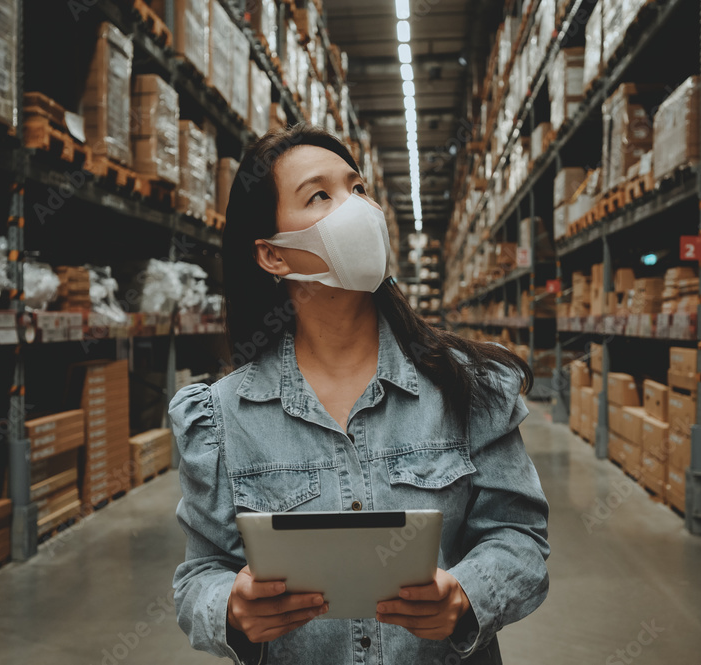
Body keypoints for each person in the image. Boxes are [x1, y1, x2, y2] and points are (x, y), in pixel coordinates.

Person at [170, 125, 549, 665]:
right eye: (320, 195)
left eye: (358, 188)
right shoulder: (222, 417)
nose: (357, 209)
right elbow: (198, 576)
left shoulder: (469, 386)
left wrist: (467, 596)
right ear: (273, 256)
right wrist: (231, 607)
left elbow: (522, 539)